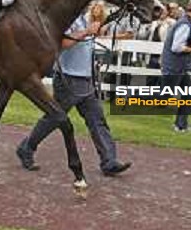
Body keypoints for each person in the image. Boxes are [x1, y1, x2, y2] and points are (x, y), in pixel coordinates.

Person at [16, 10, 132, 177]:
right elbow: (62, 43)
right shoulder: (65, 17)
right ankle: (26, 148)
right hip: (68, 79)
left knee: (97, 120)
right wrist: (86, 32)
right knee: (54, 118)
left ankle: (109, 161)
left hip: (85, 78)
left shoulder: (83, 18)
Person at [161, 0, 191, 133]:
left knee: (188, 94)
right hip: (174, 66)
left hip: (180, 66)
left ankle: (181, 125)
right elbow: (176, 47)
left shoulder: (189, 24)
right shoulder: (185, 25)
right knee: (164, 97)